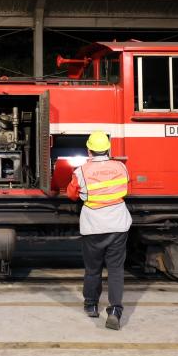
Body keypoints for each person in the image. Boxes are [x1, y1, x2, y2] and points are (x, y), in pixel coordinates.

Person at [65, 131, 132, 330]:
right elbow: (126, 188)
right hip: (118, 224)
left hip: (93, 226)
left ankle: (92, 305)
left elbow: (71, 195)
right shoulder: (121, 167)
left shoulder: (81, 171)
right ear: (108, 149)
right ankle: (114, 311)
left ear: (89, 150)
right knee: (116, 270)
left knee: (93, 269)